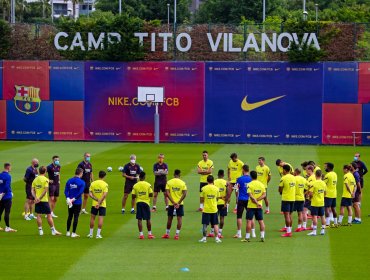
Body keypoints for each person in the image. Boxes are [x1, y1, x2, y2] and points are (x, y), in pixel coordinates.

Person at [32, 166, 61, 236]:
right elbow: (45, 190)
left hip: (37, 200)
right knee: (49, 215)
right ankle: (53, 230)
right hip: (44, 200)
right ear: (45, 172)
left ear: (39, 171)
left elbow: (32, 190)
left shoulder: (35, 179)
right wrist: (40, 198)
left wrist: (36, 198)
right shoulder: (46, 180)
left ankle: (40, 231)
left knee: (38, 215)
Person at [161, 169, 187, 240]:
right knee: (179, 219)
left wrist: (173, 202)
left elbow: (167, 193)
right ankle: (177, 235)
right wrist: (178, 202)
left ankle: (167, 234)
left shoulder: (169, 182)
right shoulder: (182, 183)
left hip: (171, 204)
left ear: (174, 174)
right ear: (180, 175)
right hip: (180, 204)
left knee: (170, 219)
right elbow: (185, 194)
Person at [243, 171, 266, 242]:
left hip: (251, 206)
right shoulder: (261, 185)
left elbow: (250, 195)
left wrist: (255, 201)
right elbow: (264, 195)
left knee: (249, 221)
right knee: (261, 221)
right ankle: (262, 237)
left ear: (251, 176)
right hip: (259, 206)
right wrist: (258, 201)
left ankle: (247, 238)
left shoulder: (249, 184)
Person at [233, 165, 255, 239]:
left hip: (241, 199)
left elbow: (236, 189)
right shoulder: (251, 179)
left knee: (239, 216)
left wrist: (236, 197)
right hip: (249, 200)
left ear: (243, 170)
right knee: (251, 217)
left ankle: (239, 233)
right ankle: (253, 233)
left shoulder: (239, 179)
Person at [199, 175, 222, 243]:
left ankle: (204, 238)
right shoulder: (216, 189)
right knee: (215, 224)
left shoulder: (203, 188)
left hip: (206, 209)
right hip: (214, 208)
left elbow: (202, 199)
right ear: (213, 181)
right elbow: (217, 198)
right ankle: (217, 238)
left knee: (205, 224)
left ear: (207, 180)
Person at [132, 172, 154, 239]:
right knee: (148, 219)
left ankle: (141, 235)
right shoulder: (148, 185)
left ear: (139, 177)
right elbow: (151, 194)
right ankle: (149, 234)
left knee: (139, 219)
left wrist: (139, 195)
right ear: (144, 177)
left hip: (139, 203)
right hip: (146, 203)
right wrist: (146, 196)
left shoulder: (135, 185)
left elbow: (133, 196)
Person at [64, 168, 85, 238]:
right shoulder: (82, 182)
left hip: (69, 202)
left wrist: (68, 198)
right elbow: (80, 192)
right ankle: (73, 233)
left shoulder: (69, 180)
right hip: (77, 202)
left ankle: (67, 232)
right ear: (80, 173)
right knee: (76, 216)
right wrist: (74, 199)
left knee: (70, 216)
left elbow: (66, 191)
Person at [88, 171, 108, 239]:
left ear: (98, 175)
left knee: (92, 218)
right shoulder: (105, 184)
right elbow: (104, 195)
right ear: (104, 176)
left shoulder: (93, 183)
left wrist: (96, 199)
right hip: (102, 204)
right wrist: (99, 203)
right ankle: (98, 235)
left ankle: (90, 234)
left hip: (94, 204)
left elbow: (90, 194)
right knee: (100, 218)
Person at [307, 170, 327, 236]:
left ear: (315, 175)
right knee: (322, 216)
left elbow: (311, 193)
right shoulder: (324, 183)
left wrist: (310, 198)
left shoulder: (314, 183)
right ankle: (323, 230)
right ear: (321, 175)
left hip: (315, 202)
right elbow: (325, 193)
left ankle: (314, 231)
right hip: (321, 202)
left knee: (314, 216)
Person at [278, 165, 296, 237]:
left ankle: (288, 232)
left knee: (286, 216)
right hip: (292, 198)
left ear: (285, 170)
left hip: (286, 199)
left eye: (283, 170)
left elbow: (280, 188)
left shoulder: (283, 178)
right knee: (290, 215)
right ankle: (290, 230)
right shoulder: (293, 177)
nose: (282, 171)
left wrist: (280, 192)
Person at [0, 163, 16, 232]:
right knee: (7, 212)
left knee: (0, 212)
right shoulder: (8, 176)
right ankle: (7, 227)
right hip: (6, 197)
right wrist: (4, 193)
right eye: (10, 167)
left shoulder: (0, 175)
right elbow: (6, 187)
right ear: (8, 167)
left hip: (0, 197)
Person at [214, 169, 229, 238]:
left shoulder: (214, 182)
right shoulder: (226, 182)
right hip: (223, 202)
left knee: (214, 217)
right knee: (222, 218)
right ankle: (219, 232)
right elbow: (228, 193)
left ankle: (212, 232)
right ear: (223, 175)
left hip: (215, 202)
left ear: (218, 175)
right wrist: (226, 203)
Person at [323, 162, 338, 227]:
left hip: (328, 194)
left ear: (328, 167)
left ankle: (327, 224)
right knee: (333, 208)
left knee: (326, 208)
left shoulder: (328, 175)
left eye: (325, 166)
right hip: (334, 194)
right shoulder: (335, 174)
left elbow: (323, 184)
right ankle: (335, 223)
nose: (324, 168)